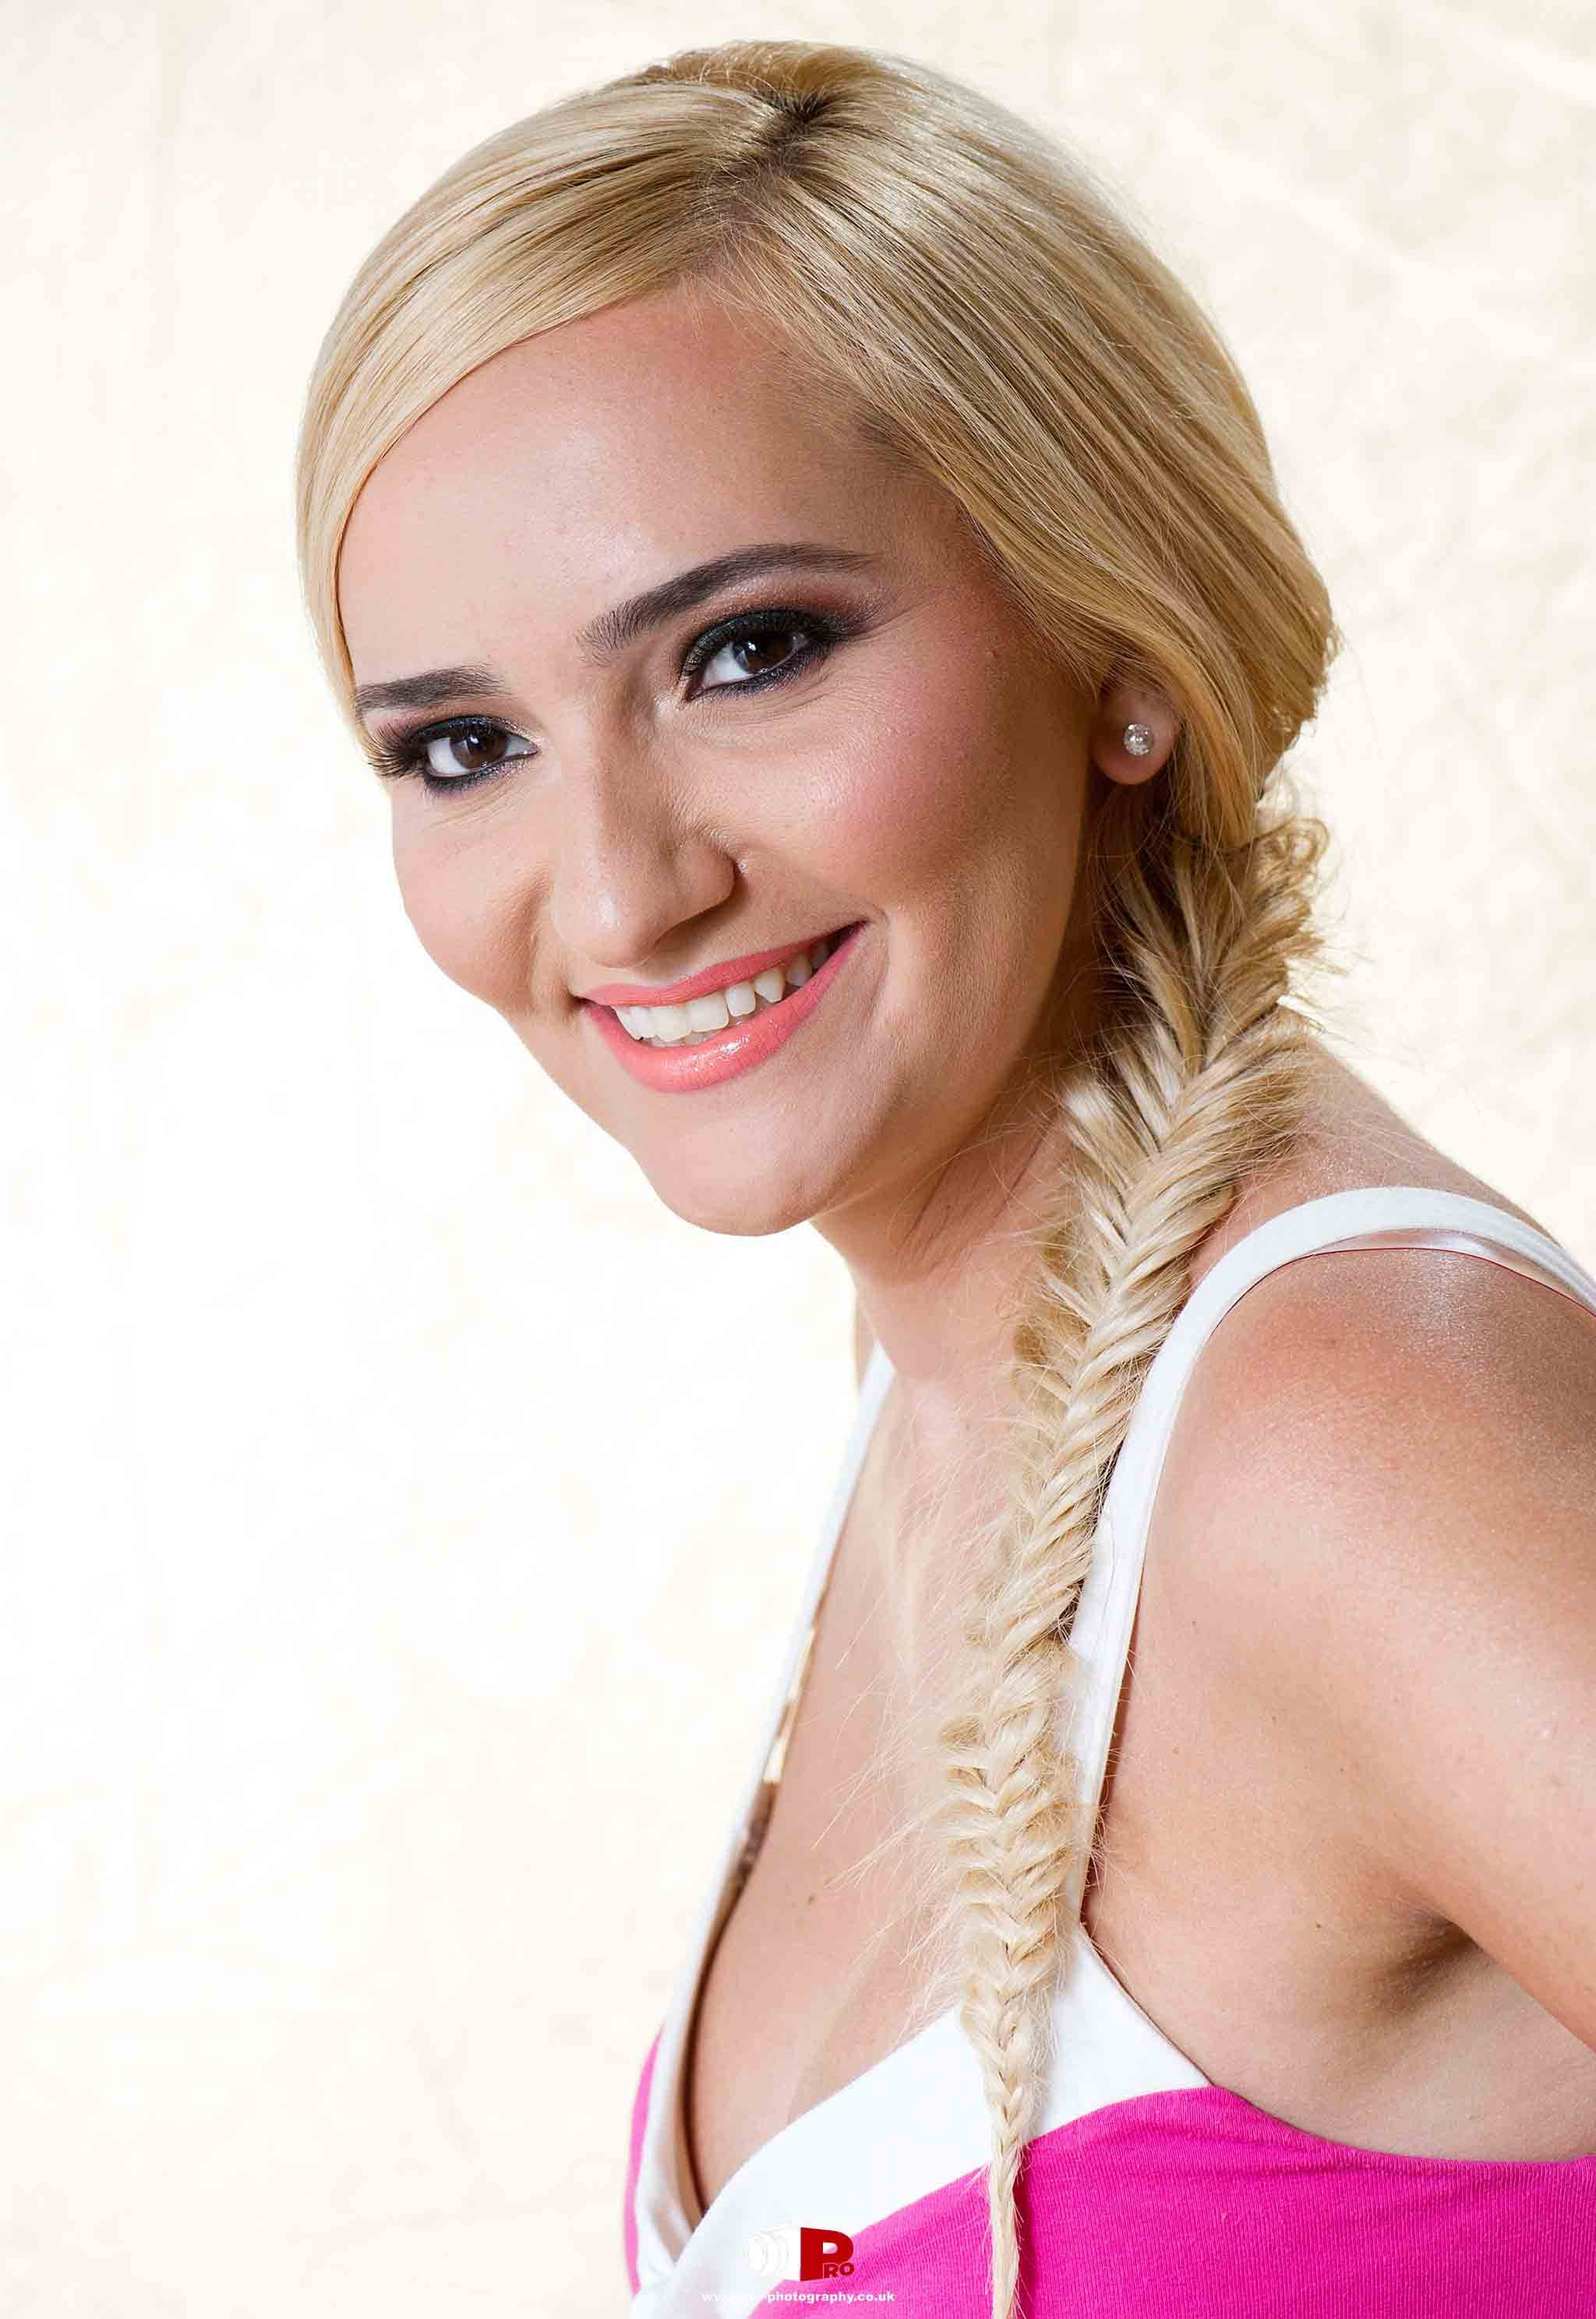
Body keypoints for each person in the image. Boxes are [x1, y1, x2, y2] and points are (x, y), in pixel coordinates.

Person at [294, 37, 1596, 2319]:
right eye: (465, 747)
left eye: (748, 651)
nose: (615, 896)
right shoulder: (946, 1402)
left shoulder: (1348, 1436)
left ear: (1115, 636)